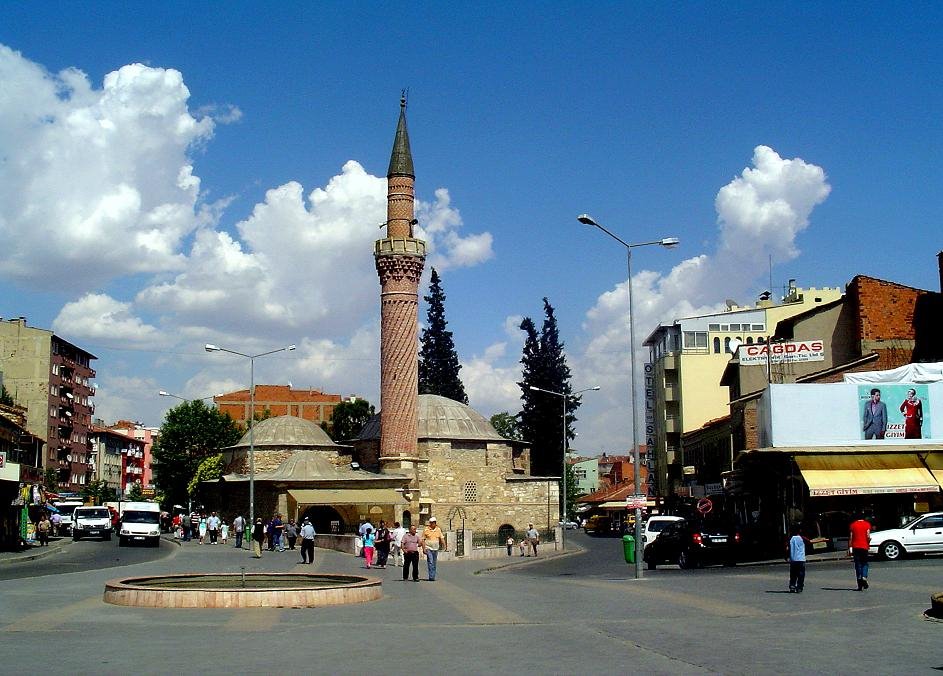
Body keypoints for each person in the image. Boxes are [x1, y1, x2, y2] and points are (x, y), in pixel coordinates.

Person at [849, 514, 872, 590]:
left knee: (858, 564)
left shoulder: (853, 525)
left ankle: (859, 581)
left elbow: (851, 537)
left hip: (856, 547)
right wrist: (868, 541)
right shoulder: (867, 524)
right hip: (864, 547)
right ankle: (864, 577)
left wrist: (850, 547)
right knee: (865, 563)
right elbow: (868, 536)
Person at [421, 516, 446, 581]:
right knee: (431, 562)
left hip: (435, 548)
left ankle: (433, 576)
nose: (432, 524)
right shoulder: (426, 529)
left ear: (435, 523)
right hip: (428, 548)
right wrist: (423, 548)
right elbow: (423, 540)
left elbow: (441, 538)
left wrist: (444, 545)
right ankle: (431, 576)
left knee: (434, 563)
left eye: (433, 523)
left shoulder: (438, 529)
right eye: (431, 523)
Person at [787, 524, 806, 593]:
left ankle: (792, 586)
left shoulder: (790, 538)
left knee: (793, 574)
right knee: (801, 574)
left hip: (793, 559)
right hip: (801, 559)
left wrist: (786, 557)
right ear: (799, 530)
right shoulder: (802, 538)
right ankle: (799, 587)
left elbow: (787, 548)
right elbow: (809, 542)